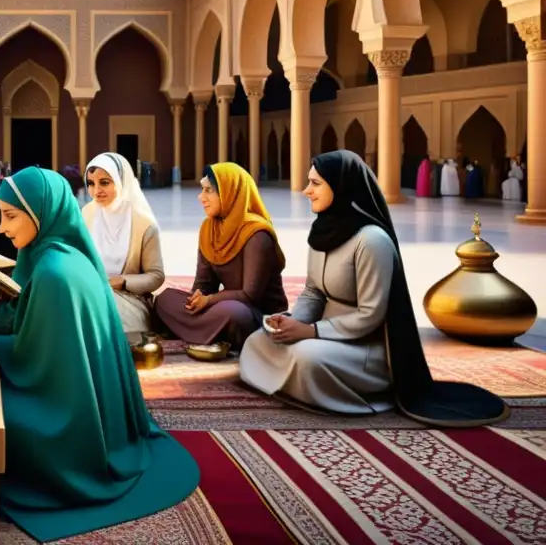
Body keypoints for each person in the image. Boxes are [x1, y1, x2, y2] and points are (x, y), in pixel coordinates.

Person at [0, 167, 199, 542]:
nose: (1, 228)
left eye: (10, 216)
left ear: (42, 213)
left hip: (70, 418)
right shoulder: (60, 252)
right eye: (1, 215)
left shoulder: (54, 273)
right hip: (85, 391)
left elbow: (35, 358)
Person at [239, 150, 508, 426]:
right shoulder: (322, 231)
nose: (307, 191)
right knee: (257, 341)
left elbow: (370, 315)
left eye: (316, 183)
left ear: (341, 185)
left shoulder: (371, 241)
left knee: (306, 358)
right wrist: (292, 322)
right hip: (323, 335)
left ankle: (345, 390)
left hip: (364, 348)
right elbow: (314, 292)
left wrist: (310, 331)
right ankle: (299, 383)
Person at [154, 162, 286, 350]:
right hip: (222, 304)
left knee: (235, 314)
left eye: (209, 190)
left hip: (255, 313)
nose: (201, 197)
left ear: (229, 192)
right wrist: (197, 299)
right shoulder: (209, 228)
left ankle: (197, 331)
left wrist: (209, 301)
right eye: (202, 190)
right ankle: (209, 333)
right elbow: (204, 283)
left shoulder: (256, 234)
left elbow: (250, 295)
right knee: (165, 299)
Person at [82, 152, 164, 333]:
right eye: (91, 183)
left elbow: (156, 276)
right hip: (90, 292)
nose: (96, 191)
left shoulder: (144, 224)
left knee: (108, 324)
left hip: (129, 298)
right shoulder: (86, 215)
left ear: (121, 181)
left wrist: (123, 281)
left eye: (104, 182)